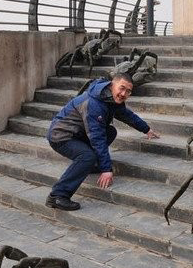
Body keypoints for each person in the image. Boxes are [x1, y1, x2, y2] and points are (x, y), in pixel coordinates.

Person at [45, 73, 160, 210]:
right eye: (121, 88)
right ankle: (57, 196)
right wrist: (106, 169)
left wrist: (146, 129)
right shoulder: (95, 103)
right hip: (62, 136)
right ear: (112, 85)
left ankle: (89, 165)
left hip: (77, 134)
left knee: (110, 132)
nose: (124, 94)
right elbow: (97, 137)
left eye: (128, 91)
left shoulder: (111, 98)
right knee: (87, 156)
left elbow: (127, 115)